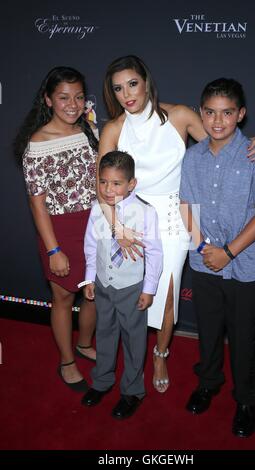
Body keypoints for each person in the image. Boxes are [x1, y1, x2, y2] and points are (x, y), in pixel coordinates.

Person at [98, 55, 255, 393]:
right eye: (118, 89)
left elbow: (219, 134)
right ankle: (127, 361)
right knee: (129, 292)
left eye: (132, 84)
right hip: (130, 218)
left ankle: (160, 353)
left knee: (167, 294)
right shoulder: (114, 128)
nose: (126, 94)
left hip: (176, 216)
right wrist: (118, 228)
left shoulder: (178, 115)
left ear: (146, 81)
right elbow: (100, 185)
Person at [179, 78, 255, 437]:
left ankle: (246, 399)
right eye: (210, 112)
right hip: (204, 262)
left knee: (243, 337)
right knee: (207, 332)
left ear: (241, 114)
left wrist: (229, 252)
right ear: (201, 113)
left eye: (227, 113)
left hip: (246, 266)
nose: (217, 121)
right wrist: (208, 251)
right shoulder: (192, 157)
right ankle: (208, 382)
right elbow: (185, 208)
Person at [15, 66, 99, 392]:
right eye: (64, 97)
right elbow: (37, 203)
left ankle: (85, 343)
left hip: (94, 225)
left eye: (78, 97)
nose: (73, 104)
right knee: (63, 299)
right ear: (48, 100)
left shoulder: (88, 129)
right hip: (60, 230)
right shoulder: (37, 144)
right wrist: (53, 249)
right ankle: (67, 361)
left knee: (93, 294)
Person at [80, 151, 163, 419]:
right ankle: (102, 381)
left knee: (133, 340)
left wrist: (149, 289)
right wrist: (90, 277)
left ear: (131, 184)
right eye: (103, 182)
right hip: (104, 284)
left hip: (131, 288)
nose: (108, 189)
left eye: (116, 183)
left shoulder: (145, 213)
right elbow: (91, 246)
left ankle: (132, 391)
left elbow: (155, 253)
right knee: (104, 334)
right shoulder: (97, 209)